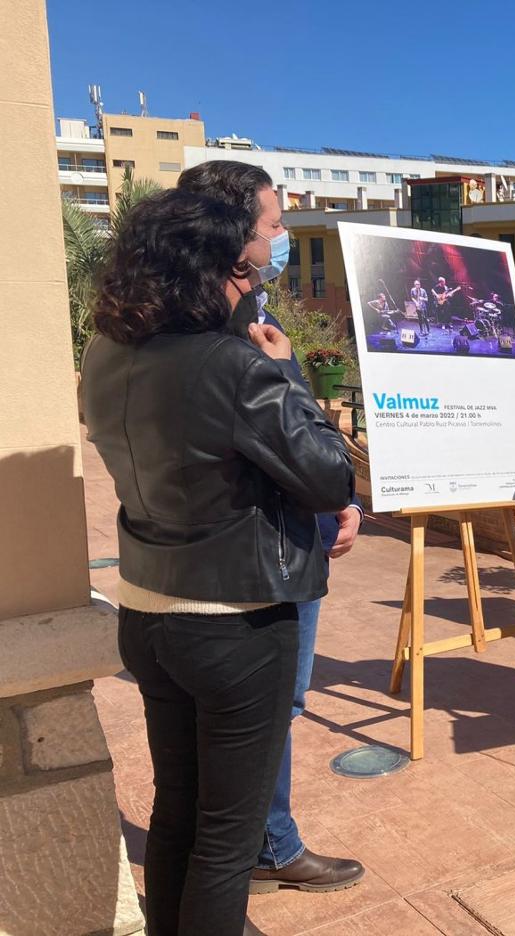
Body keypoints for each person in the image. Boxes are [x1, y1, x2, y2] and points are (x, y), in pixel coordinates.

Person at [80, 189, 356, 936]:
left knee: (177, 816)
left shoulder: (105, 353)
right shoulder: (236, 366)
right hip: (234, 625)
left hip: (148, 612)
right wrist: (291, 373)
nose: (258, 274)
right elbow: (331, 475)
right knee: (228, 845)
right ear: (221, 264)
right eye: (252, 262)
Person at [177, 161, 367, 898]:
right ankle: (266, 846)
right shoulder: (229, 326)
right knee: (269, 704)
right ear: (233, 236)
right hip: (261, 555)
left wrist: (333, 507)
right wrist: (293, 387)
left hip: (276, 535)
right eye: (276, 226)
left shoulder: (202, 311)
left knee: (252, 709)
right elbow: (290, 435)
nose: (283, 238)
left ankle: (250, 841)